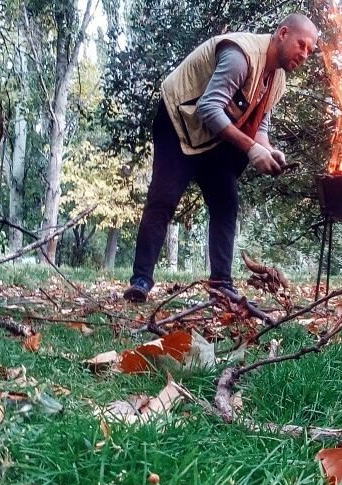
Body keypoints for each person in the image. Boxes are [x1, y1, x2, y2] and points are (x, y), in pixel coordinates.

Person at [123, 14, 319, 303]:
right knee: (163, 198)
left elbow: (259, 127)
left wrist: (267, 149)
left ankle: (221, 284)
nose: (303, 54)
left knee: (226, 201)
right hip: (178, 124)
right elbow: (209, 108)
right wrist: (252, 150)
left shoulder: (278, 81)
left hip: (213, 136)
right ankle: (141, 280)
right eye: (301, 44)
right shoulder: (241, 56)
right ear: (282, 33)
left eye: (309, 51)